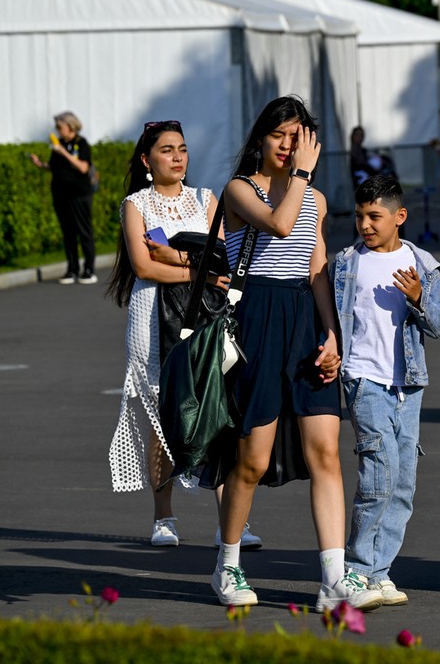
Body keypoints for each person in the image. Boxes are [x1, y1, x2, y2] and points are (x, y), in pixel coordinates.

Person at [207, 96, 380, 612]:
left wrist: (332, 334)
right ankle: (227, 563)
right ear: (261, 138)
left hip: (305, 320)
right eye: (279, 135)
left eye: (297, 136)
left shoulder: (316, 199)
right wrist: (301, 175)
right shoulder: (241, 189)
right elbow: (280, 226)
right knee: (252, 460)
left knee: (325, 450)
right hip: (258, 318)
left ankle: (333, 578)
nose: (287, 145)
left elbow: (316, 268)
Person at [104, 121, 264, 550]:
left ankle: (231, 523)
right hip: (151, 320)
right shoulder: (135, 204)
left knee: (217, 411)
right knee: (162, 415)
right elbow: (144, 266)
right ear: (147, 159)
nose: (177, 157)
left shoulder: (204, 198)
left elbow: (222, 256)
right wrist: (197, 270)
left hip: (207, 314)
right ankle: (163, 517)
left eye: (182, 149)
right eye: (166, 150)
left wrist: (175, 257)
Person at [333, 174, 440, 608]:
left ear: (399, 216)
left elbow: (439, 326)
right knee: (378, 475)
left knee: (402, 484)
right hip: (363, 379)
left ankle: (379, 572)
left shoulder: (423, 265)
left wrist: (418, 297)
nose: (365, 225)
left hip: (409, 385)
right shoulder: (347, 263)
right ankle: (357, 570)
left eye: (374, 216)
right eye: (359, 216)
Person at [29, 112, 97, 284]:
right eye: (57, 127)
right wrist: (40, 164)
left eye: (60, 127)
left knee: (84, 231)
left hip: (79, 194)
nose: (58, 130)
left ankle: (89, 269)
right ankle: (72, 269)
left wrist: (63, 152)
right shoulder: (58, 144)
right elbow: (55, 167)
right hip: (61, 194)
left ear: (71, 126)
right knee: (68, 232)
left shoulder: (81, 143)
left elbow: (83, 168)